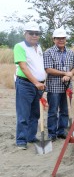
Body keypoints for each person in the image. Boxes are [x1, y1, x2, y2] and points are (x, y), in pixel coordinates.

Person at [13, 21, 46, 150]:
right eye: (31, 33)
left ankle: (31, 137)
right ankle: (21, 140)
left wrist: (41, 82)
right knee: (23, 114)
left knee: (35, 113)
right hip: (26, 84)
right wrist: (36, 82)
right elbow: (23, 67)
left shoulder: (39, 47)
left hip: (38, 86)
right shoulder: (19, 46)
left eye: (37, 33)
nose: (34, 35)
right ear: (25, 34)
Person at [43, 28, 74, 141]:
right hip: (54, 87)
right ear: (54, 39)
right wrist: (64, 73)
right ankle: (52, 134)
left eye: (63, 38)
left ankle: (61, 131)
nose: (61, 40)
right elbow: (48, 69)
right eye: (58, 38)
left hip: (67, 87)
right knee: (53, 111)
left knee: (65, 110)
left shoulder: (71, 53)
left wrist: (69, 75)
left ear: (66, 39)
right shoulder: (48, 52)